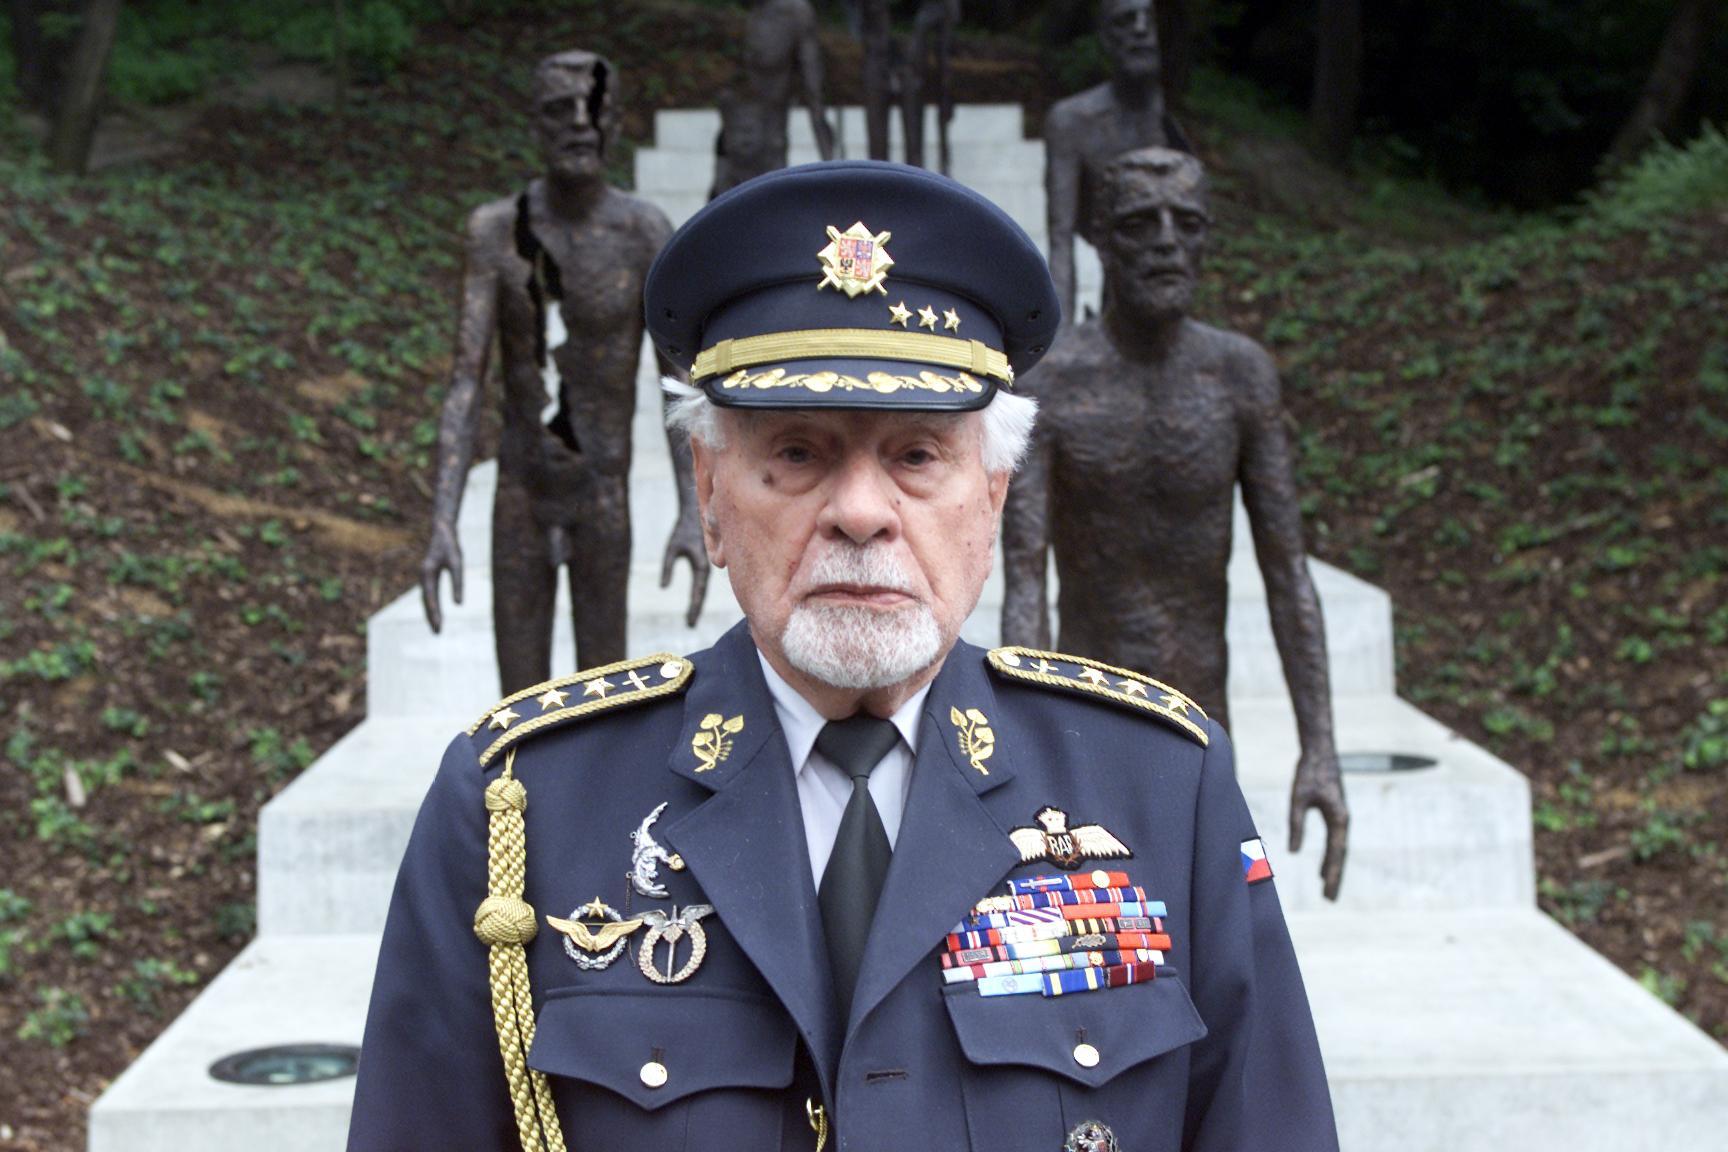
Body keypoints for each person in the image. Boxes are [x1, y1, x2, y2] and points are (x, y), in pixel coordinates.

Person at [349, 160, 1338, 1152]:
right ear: (708, 491)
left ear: (993, 498)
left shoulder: (1160, 790)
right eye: (798, 452)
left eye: (918, 455)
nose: (861, 512)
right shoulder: (522, 809)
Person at [1002, 148, 1349, 901]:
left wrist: (1320, 748)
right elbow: (1024, 581)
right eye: (1140, 223)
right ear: (1100, 240)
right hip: (1089, 717)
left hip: (1202, 725)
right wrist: (1031, 753)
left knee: (1217, 938)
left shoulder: (1239, 376)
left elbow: (1288, 573)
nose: (1166, 242)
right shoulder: (1051, 384)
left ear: (1207, 237)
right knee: (1105, 944)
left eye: (1186, 223)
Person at [419, 50, 708, 693]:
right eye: (560, 110)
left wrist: (695, 512)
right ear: (535, 124)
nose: (580, 123)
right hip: (521, 494)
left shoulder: (642, 233)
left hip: (602, 494)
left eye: (594, 108)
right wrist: (441, 522)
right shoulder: (495, 233)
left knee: (602, 706)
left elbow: (681, 389)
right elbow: (465, 383)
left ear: (616, 121)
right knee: (517, 710)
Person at [1044, 0, 1190, 325]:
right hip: (1112, 262)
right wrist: (1060, 333)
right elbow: (1061, 237)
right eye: (1126, 21)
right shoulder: (1071, 121)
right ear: (1106, 38)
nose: (1140, 30)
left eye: (1148, 20)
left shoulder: (1165, 123)